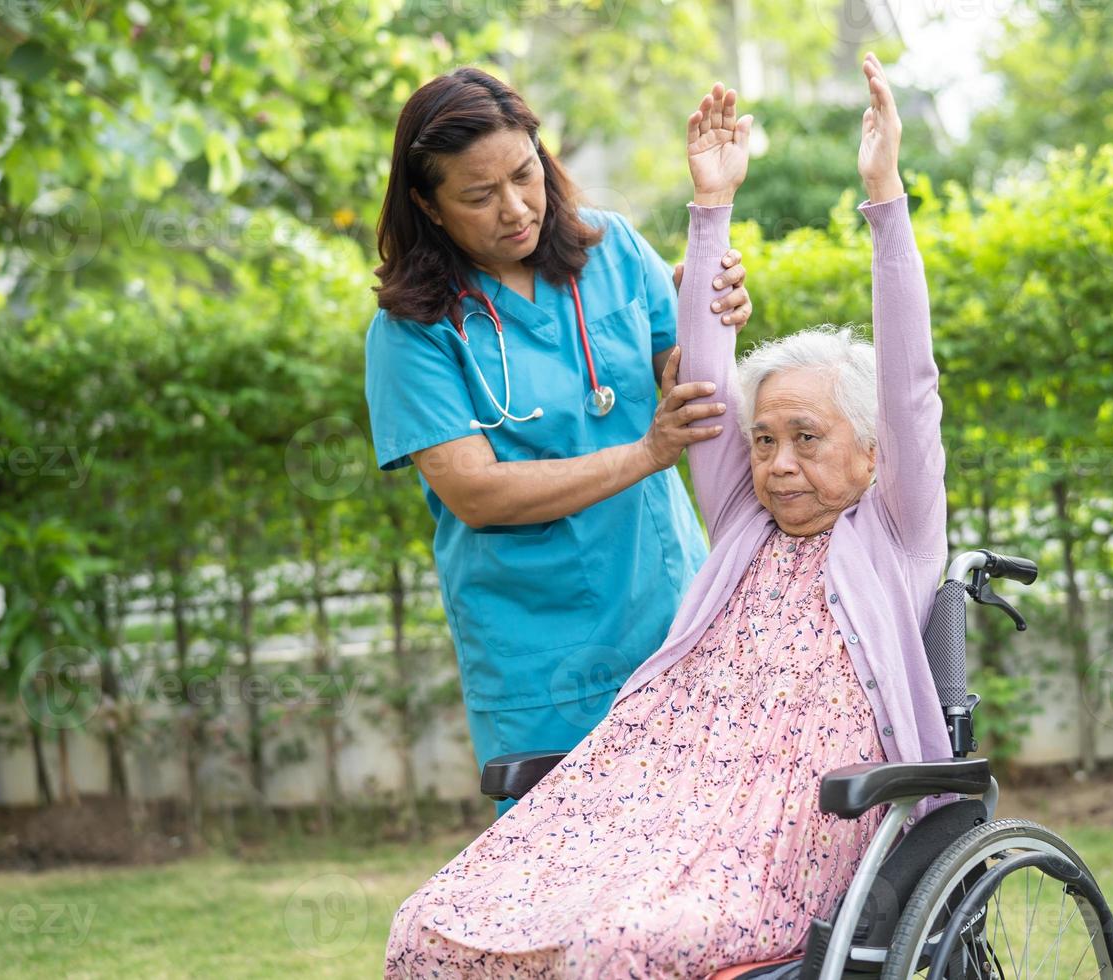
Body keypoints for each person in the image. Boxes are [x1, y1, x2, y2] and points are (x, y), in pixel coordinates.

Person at [383, 53, 954, 979]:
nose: (778, 465)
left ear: (873, 452)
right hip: (626, 755)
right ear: (430, 205)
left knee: (605, 947)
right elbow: (699, 395)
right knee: (430, 928)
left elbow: (906, 383)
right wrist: (712, 201)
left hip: (775, 830)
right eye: (762, 441)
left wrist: (883, 192)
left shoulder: (889, 531)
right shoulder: (744, 518)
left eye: (808, 439)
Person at [364, 68, 755, 817]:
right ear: (428, 206)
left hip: (674, 617)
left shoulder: (612, 251)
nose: (515, 208)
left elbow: (686, 379)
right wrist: (645, 453)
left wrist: (715, 302)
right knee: (562, 884)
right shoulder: (412, 330)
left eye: (524, 174)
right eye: (479, 195)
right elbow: (474, 492)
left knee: (699, 859)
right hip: (542, 661)